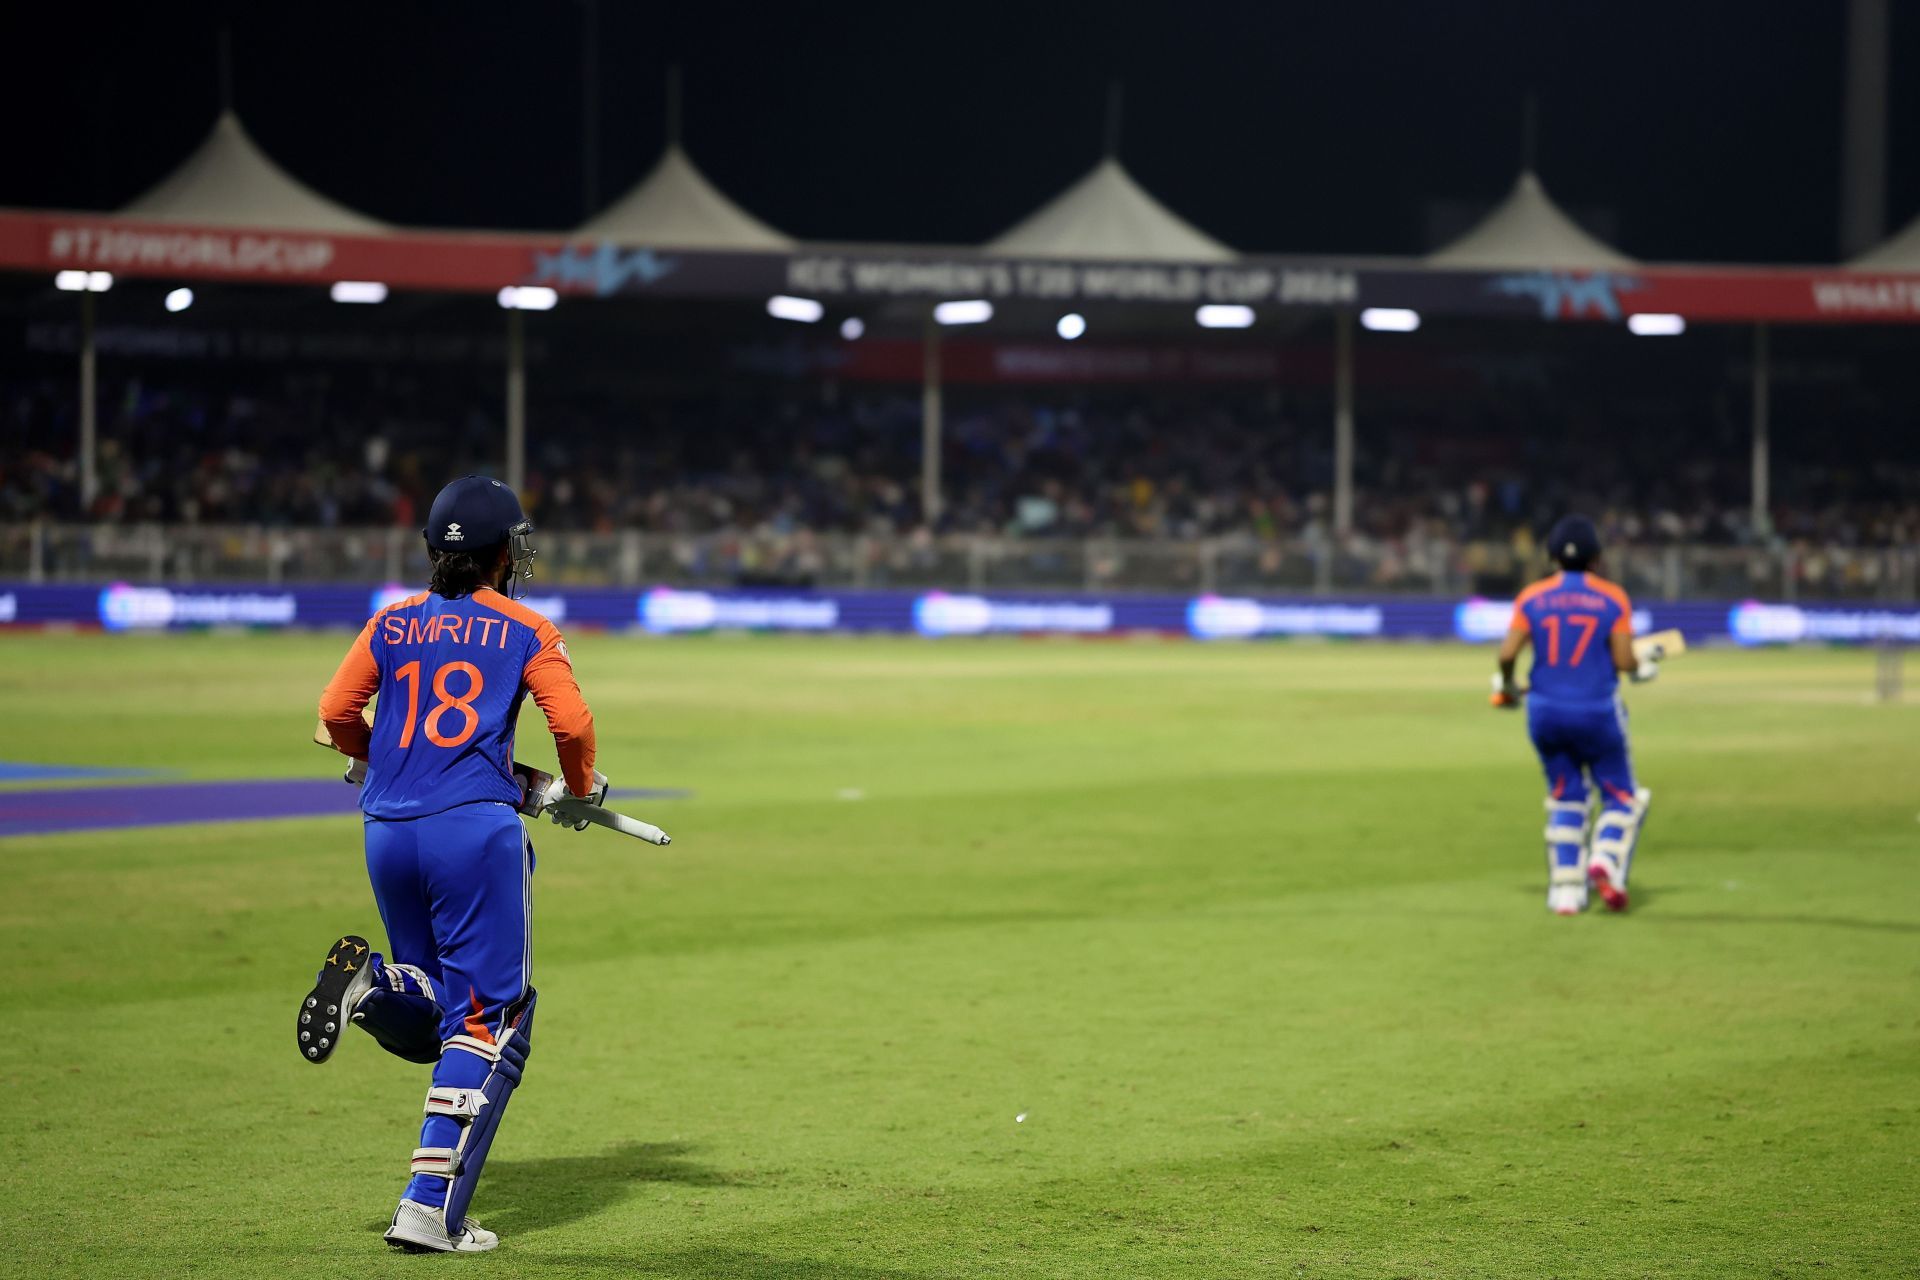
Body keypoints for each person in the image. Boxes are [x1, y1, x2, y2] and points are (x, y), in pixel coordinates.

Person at [304, 475, 606, 1252]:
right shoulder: (527, 629)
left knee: (436, 1005)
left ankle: (373, 985)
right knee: (490, 1018)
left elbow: (338, 714)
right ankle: (427, 1210)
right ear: (502, 551)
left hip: (387, 829)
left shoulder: (391, 622)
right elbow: (570, 723)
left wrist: (377, 760)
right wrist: (578, 789)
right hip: (473, 833)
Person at [1492, 515, 1655, 915]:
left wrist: (1509, 686)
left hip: (1544, 710)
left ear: (1550, 557)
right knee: (1621, 797)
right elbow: (1622, 660)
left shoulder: (1531, 597)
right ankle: (1605, 858)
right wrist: (1642, 667)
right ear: (1597, 558)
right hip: (1597, 710)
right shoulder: (1612, 598)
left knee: (1565, 795)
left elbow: (1508, 653)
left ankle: (1566, 891)